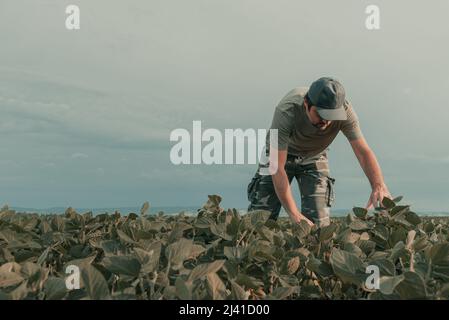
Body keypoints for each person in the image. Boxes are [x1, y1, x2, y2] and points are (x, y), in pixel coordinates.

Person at [247, 77, 392, 227]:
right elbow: (277, 167)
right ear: (306, 104)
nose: (326, 121)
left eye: (331, 116)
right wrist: (294, 214)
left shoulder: (346, 112)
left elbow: (363, 152)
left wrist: (378, 185)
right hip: (279, 154)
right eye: (321, 114)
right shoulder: (286, 111)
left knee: (318, 228)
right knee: (259, 221)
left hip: (315, 156)